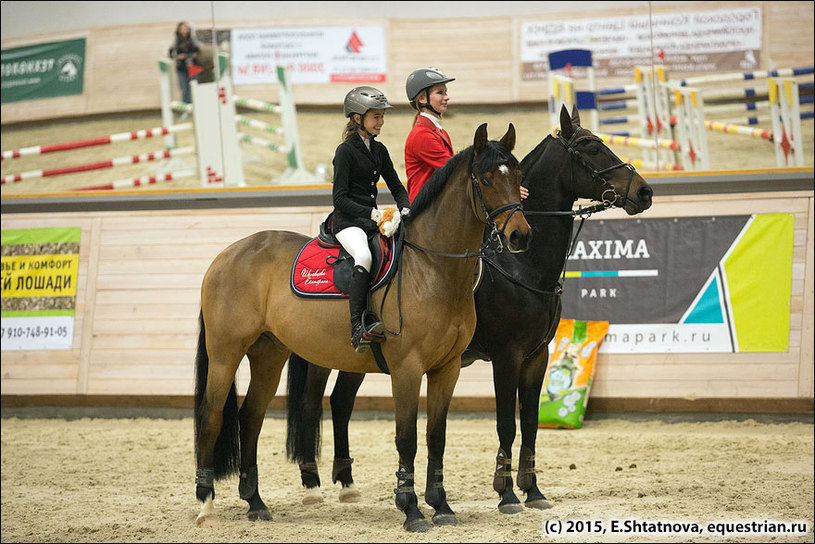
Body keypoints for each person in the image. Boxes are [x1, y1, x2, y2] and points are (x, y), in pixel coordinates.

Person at [331, 86, 411, 353]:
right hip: (347, 221)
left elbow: (397, 187)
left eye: (382, 116)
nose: (381, 122)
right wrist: (372, 213)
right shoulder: (345, 152)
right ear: (357, 119)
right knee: (364, 256)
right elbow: (339, 199)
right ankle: (357, 326)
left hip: (371, 220)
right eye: (376, 116)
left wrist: (405, 208)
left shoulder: (379, 150)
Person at [404, 67, 528, 202]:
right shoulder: (421, 135)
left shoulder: (439, 131)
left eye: (446, 92)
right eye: (440, 93)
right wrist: (503, 187)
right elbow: (456, 172)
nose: (447, 97)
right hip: (426, 211)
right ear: (422, 98)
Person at [168, 22, 200, 105]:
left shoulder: (193, 40)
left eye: (186, 29)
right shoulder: (176, 41)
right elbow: (171, 54)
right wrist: (178, 57)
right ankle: (186, 107)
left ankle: (196, 106)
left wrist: (190, 55)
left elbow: (198, 51)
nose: (184, 31)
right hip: (181, 67)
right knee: (184, 89)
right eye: (182, 29)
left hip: (193, 67)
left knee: (194, 87)